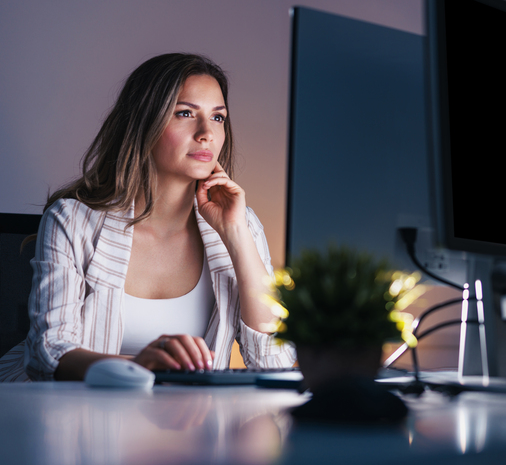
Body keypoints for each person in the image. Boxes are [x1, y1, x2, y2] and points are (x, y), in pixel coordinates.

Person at [0, 53, 295, 381]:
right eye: (185, 113)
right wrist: (140, 365)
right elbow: (47, 352)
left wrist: (237, 233)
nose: (206, 133)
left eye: (218, 118)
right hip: (61, 414)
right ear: (145, 122)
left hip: (181, 420)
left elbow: (274, 362)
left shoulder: (240, 222)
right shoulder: (71, 221)